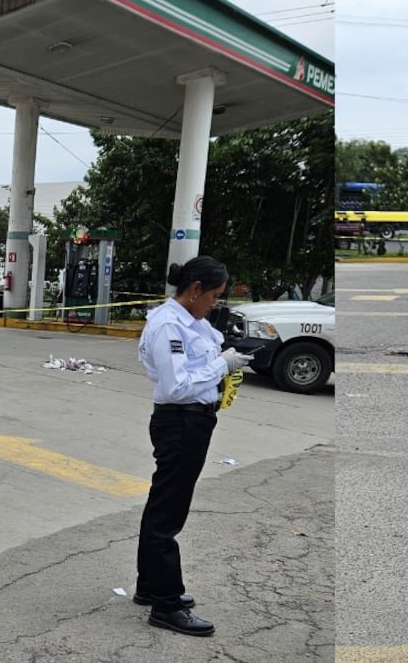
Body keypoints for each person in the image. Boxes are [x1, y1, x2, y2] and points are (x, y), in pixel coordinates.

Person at [133, 255, 252, 637]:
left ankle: (150, 586)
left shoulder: (189, 321)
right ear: (195, 289)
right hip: (181, 421)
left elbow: (208, 349)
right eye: (214, 296)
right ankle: (165, 605)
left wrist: (223, 354)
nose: (215, 304)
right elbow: (176, 385)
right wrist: (222, 366)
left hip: (191, 419)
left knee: (162, 504)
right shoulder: (168, 324)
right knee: (168, 515)